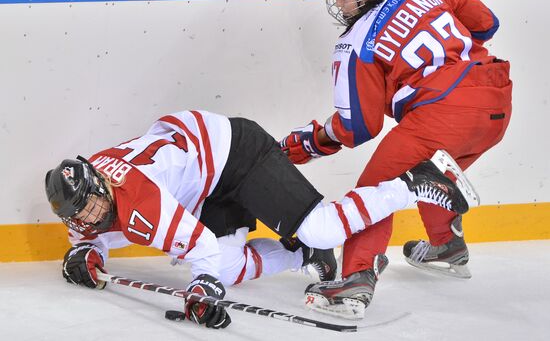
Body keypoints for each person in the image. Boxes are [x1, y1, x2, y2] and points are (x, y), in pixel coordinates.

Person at [46, 110, 475, 329]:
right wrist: (86, 251)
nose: (91, 216)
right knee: (230, 268)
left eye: (93, 206)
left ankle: (413, 181)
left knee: (319, 225)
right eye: (81, 213)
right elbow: (91, 237)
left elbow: (200, 248)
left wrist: (202, 285)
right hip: (202, 179)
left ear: (102, 186)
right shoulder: (86, 197)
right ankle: (307, 255)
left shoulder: (139, 200)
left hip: (237, 152)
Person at [279, 0, 512, 320]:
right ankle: (446, 245)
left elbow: (358, 127)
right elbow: (486, 24)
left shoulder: (357, 41)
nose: (338, 1)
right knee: (427, 174)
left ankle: (356, 277)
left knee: (377, 190)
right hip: (496, 98)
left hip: (444, 111)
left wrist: (309, 142)